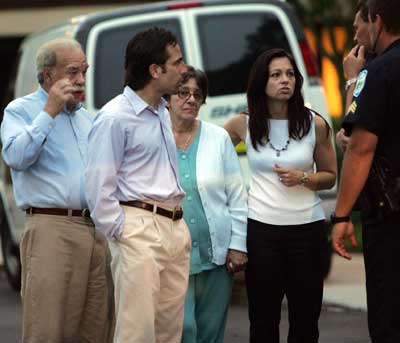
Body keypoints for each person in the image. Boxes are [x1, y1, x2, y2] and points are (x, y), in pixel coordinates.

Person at [0, 38, 114, 342]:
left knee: (95, 331)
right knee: (47, 331)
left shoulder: (88, 119)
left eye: (84, 72)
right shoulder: (21, 111)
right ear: (47, 76)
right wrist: (49, 111)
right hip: (52, 230)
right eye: (72, 72)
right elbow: (15, 157)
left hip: (95, 230)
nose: (80, 81)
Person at [85, 27, 191, 343]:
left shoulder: (161, 110)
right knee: (137, 332)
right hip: (138, 230)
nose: (184, 70)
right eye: (178, 62)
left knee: (169, 332)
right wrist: (123, 231)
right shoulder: (114, 118)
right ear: (155, 70)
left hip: (173, 226)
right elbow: (97, 186)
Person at [224, 48, 337, 343]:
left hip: (307, 232)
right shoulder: (243, 123)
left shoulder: (316, 124)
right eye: (276, 75)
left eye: (289, 74)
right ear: (262, 81)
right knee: (262, 320)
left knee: (305, 320)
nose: (284, 80)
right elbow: (209, 149)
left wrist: (303, 177)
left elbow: (330, 176)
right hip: (262, 232)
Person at [332, 0, 400, 342]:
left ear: (378, 21)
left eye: (361, 25)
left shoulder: (378, 72)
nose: (357, 34)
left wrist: (341, 216)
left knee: (389, 317)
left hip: (390, 216)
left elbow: (357, 146)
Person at [167, 66, 248, 343]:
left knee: (210, 334)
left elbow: (236, 196)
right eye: (182, 92)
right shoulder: (154, 137)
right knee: (183, 329)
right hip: (171, 256)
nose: (190, 99)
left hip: (217, 256)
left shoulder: (219, 138)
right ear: (167, 98)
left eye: (197, 94)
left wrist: (238, 245)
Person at [337, 0, 372, 151]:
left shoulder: (379, 68)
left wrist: (352, 79)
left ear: (373, 23)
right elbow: (346, 135)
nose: (355, 37)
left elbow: (349, 130)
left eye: (357, 28)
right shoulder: (370, 62)